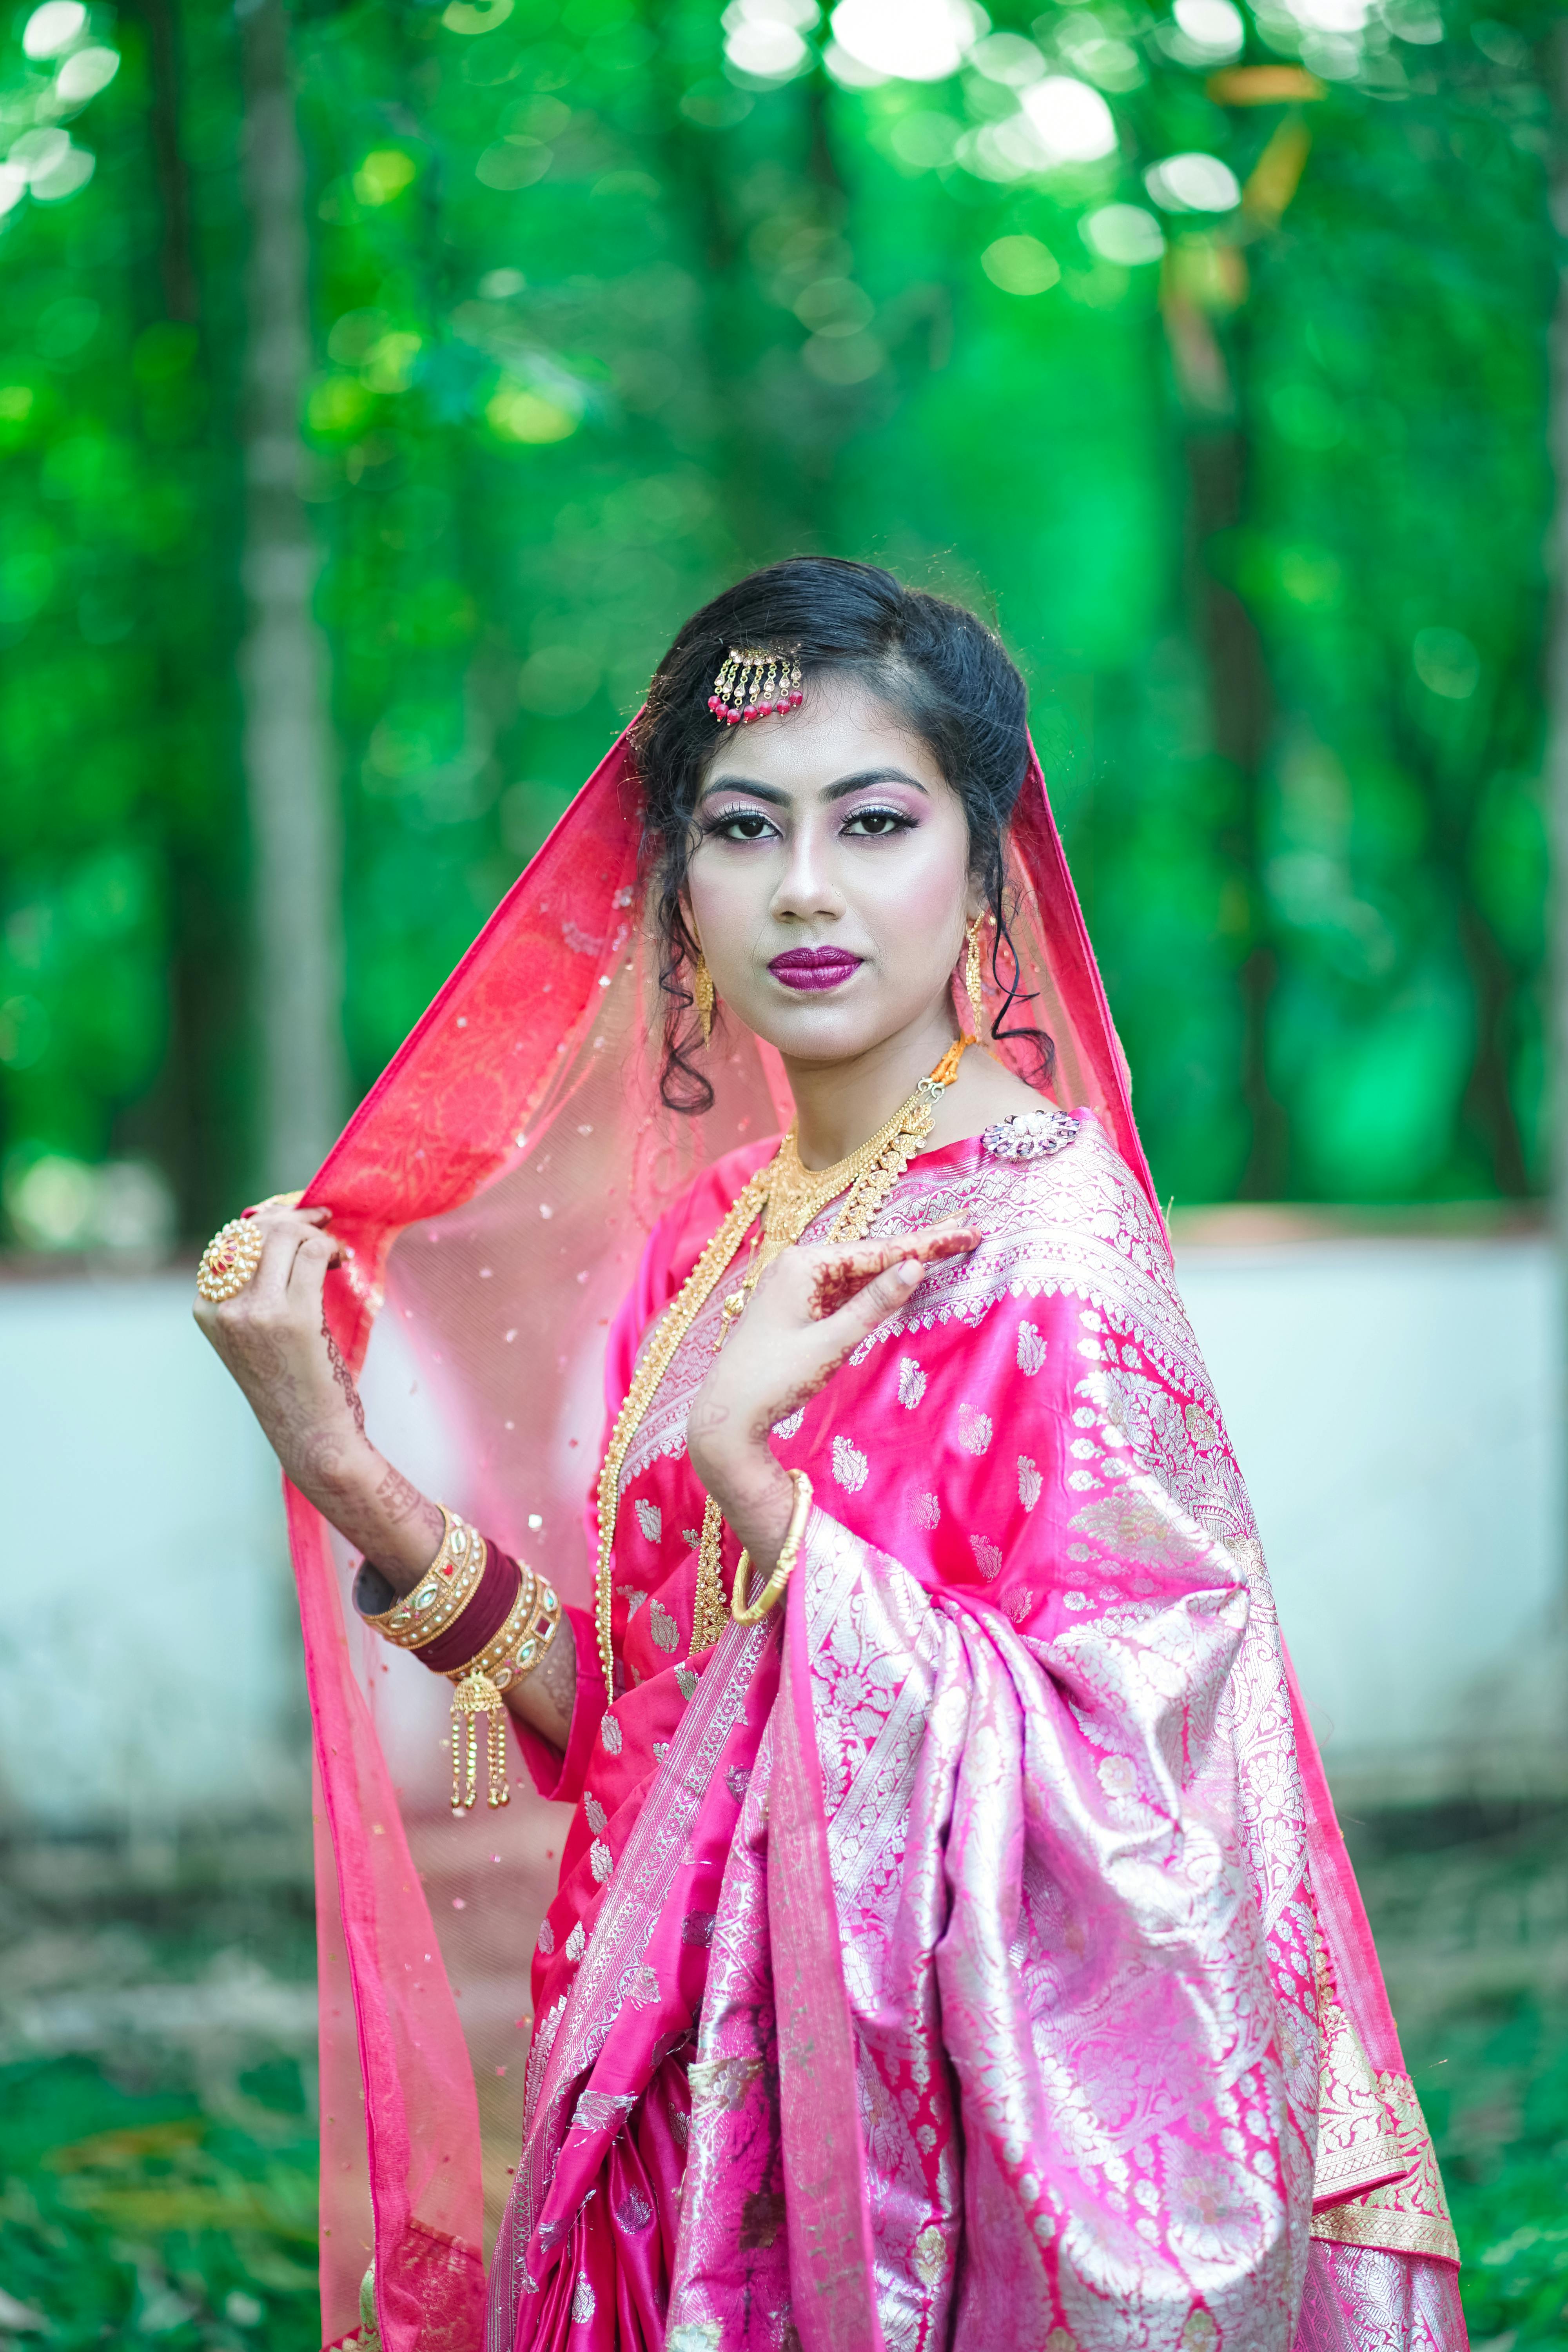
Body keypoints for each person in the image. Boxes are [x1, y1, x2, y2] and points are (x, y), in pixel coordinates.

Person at [195, 560, 1465, 2352]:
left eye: (873, 822)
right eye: (741, 829)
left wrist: (754, 1480)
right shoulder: (715, 1231)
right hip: (663, 2106)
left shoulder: (1048, 1247)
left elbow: (1144, 1813)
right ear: (674, 884)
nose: (804, 889)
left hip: (912, 2182)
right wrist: (340, 1465)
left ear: (985, 858)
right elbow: (639, 1721)